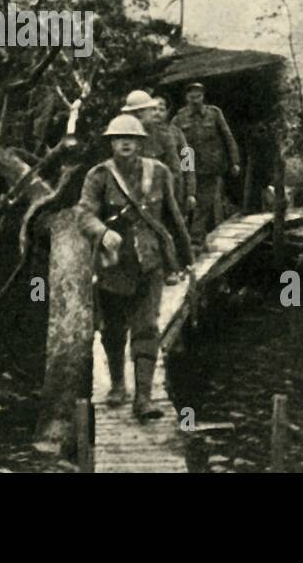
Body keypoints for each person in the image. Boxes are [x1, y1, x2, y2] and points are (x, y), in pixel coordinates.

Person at [79, 113, 192, 420]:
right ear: (111, 143)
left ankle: (144, 398)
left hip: (149, 263)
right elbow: (84, 215)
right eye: (119, 139)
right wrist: (103, 233)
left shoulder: (159, 173)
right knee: (113, 330)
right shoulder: (99, 176)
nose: (125, 143)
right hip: (112, 266)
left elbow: (172, 217)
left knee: (146, 328)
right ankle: (117, 384)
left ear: (141, 143)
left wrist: (185, 259)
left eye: (131, 139)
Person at [171, 81, 241, 252]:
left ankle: (195, 242)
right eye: (192, 96)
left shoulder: (214, 114)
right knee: (187, 203)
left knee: (204, 204)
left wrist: (235, 161)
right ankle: (187, 241)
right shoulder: (179, 118)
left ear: (203, 97)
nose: (195, 100)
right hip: (188, 168)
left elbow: (227, 137)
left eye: (198, 96)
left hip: (210, 167)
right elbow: (172, 144)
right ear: (186, 97)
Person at [119, 89, 197, 218]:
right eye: (154, 109)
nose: (157, 113)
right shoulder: (125, 135)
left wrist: (190, 191)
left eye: (161, 109)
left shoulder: (174, 134)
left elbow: (185, 163)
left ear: (167, 112)